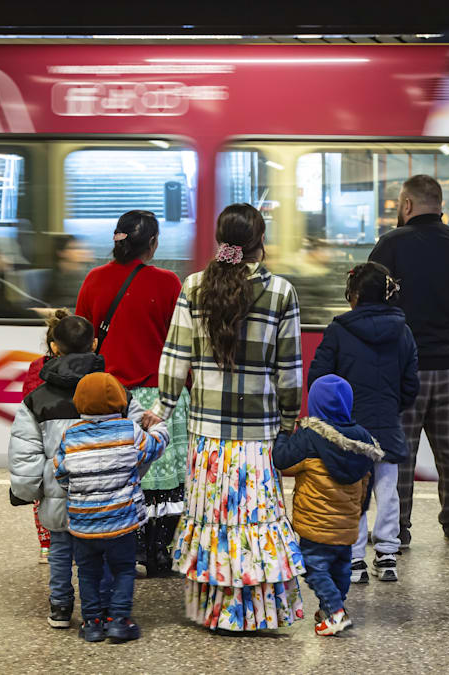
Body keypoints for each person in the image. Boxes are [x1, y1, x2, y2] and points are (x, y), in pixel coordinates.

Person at [148, 203, 306, 632]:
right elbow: (289, 371)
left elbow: (174, 358)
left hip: (207, 438)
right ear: (260, 242)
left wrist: (161, 410)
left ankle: (215, 612)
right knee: (254, 520)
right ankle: (254, 613)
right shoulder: (280, 293)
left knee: (213, 520)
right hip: (258, 437)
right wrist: (289, 423)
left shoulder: (195, 287)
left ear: (222, 240)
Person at [368, 174, 449, 547]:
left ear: (406, 206)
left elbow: (369, 294)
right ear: (440, 205)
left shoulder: (390, 245)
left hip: (405, 365)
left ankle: (397, 529)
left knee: (401, 449)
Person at [8, 315, 148, 630]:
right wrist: (125, 477)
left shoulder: (36, 400)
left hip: (59, 495)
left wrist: (31, 490)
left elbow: (25, 452)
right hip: (107, 496)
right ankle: (104, 611)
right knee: (104, 555)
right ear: (94, 344)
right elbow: (137, 440)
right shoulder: (115, 392)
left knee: (59, 551)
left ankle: (60, 608)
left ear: (54, 347)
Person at [75, 210, 190, 578]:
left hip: (110, 398)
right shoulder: (168, 282)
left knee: (121, 477)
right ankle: (160, 552)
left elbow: (82, 338)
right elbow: (181, 341)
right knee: (164, 484)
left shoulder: (94, 280)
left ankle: (124, 545)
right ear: (153, 244)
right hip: (159, 399)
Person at [307, 261, 419, 583]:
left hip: (347, 429)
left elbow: (320, 378)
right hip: (386, 424)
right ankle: (386, 555)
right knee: (387, 489)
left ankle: (354, 559)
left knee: (351, 491)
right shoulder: (404, 331)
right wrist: (393, 407)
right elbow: (411, 383)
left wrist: (331, 417)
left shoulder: (339, 330)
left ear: (353, 294)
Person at [54, 372, 171, 643]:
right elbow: (156, 446)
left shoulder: (69, 436)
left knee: (87, 572)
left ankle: (92, 623)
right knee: (123, 570)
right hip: (122, 524)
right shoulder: (129, 431)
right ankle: (119, 620)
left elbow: (61, 473)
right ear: (120, 401)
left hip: (83, 525)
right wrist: (159, 426)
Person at [273, 375, 382, 636]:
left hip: (316, 524)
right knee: (340, 568)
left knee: (312, 566)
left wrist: (283, 435)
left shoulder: (311, 435)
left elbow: (281, 460)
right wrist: (357, 512)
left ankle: (335, 612)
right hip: (346, 524)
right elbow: (367, 482)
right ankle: (330, 608)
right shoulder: (362, 437)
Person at [21, 308, 73, 564]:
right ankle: (71, 540)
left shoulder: (36, 368)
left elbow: (27, 403)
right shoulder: (84, 368)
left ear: (51, 344)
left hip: (45, 442)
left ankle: (46, 545)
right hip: (74, 443)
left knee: (43, 495)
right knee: (71, 492)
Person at [44, 235, 95, 309]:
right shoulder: (58, 279)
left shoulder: (84, 274)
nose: (83, 252)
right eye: (76, 248)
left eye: (84, 248)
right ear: (61, 252)